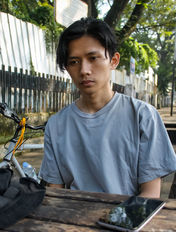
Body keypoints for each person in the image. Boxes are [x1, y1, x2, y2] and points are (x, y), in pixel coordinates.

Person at [39, 17, 176, 197]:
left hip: (126, 219)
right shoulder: (56, 125)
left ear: (113, 60)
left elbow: (150, 194)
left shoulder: (143, 116)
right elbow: (54, 193)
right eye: (74, 62)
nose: (84, 70)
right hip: (71, 218)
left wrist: (116, 222)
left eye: (93, 58)